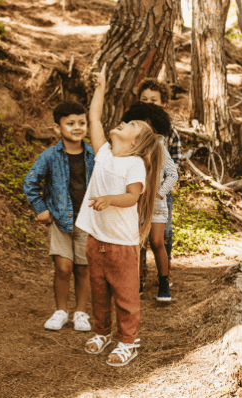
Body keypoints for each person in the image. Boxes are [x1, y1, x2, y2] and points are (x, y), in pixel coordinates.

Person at [78, 65, 163, 367]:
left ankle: (129, 341)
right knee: (99, 292)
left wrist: (109, 199)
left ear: (135, 143)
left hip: (122, 245)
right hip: (96, 239)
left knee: (125, 297)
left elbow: (132, 197)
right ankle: (102, 331)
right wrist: (100, 88)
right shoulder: (103, 153)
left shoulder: (135, 165)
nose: (123, 123)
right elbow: (94, 118)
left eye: (129, 126)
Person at [23, 101, 95, 332]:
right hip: (60, 219)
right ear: (57, 127)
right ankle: (61, 311)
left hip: (87, 220)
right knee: (63, 267)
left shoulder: (93, 154)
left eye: (82, 123)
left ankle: (81, 313)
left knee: (83, 268)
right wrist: (40, 208)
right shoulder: (50, 156)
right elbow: (30, 181)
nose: (77, 127)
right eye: (70, 123)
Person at [121, 102, 178, 301]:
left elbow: (172, 174)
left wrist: (160, 193)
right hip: (135, 203)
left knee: (156, 242)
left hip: (156, 205)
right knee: (136, 244)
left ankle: (164, 282)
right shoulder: (129, 147)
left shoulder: (159, 147)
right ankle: (136, 283)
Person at [136, 78, 183, 292]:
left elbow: (176, 162)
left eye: (153, 100)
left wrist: (163, 190)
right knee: (137, 235)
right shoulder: (133, 128)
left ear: (163, 103)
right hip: (137, 191)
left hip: (161, 193)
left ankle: (165, 275)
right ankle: (138, 274)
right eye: (144, 99)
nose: (148, 103)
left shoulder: (169, 132)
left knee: (162, 235)